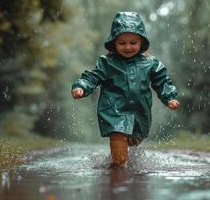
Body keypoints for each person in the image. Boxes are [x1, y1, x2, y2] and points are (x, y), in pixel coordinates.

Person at [71, 12, 180, 168]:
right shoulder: (107, 63)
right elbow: (92, 77)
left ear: (141, 42)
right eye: (122, 43)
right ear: (114, 43)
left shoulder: (151, 63)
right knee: (119, 143)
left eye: (133, 42)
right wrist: (81, 86)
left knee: (134, 141)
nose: (128, 47)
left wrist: (170, 97)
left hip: (139, 111)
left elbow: (162, 81)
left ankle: (122, 163)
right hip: (113, 110)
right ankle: (118, 172)